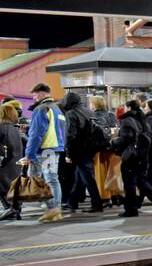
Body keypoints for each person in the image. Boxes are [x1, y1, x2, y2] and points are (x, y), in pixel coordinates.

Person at [21, 83, 67, 223]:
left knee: (37, 178)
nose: (34, 97)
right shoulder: (58, 109)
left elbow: (36, 134)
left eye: (34, 94)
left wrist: (29, 154)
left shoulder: (41, 108)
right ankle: (55, 209)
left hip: (45, 149)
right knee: (52, 179)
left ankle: (53, 209)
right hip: (55, 148)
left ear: (41, 93)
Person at [110, 99, 152, 217]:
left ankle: (131, 209)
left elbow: (126, 137)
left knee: (130, 183)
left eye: (126, 107)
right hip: (142, 155)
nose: (124, 109)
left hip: (131, 156)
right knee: (142, 182)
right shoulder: (143, 119)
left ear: (129, 108)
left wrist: (114, 142)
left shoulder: (127, 120)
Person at [61, 91, 105, 214]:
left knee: (87, 177)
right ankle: (72, 202)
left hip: (79, 149)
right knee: (80, 176)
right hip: (91, 148)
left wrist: (68, 153)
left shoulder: (71, 113)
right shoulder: (89, 111)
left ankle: (97, 204)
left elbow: (70, 135)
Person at [0, 100, 24, 220]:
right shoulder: (15, 128)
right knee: (12, 186)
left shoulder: (2, 128)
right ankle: (15, 209)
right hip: (16, 161)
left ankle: (10, 210)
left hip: (4, 163)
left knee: (4, 186)